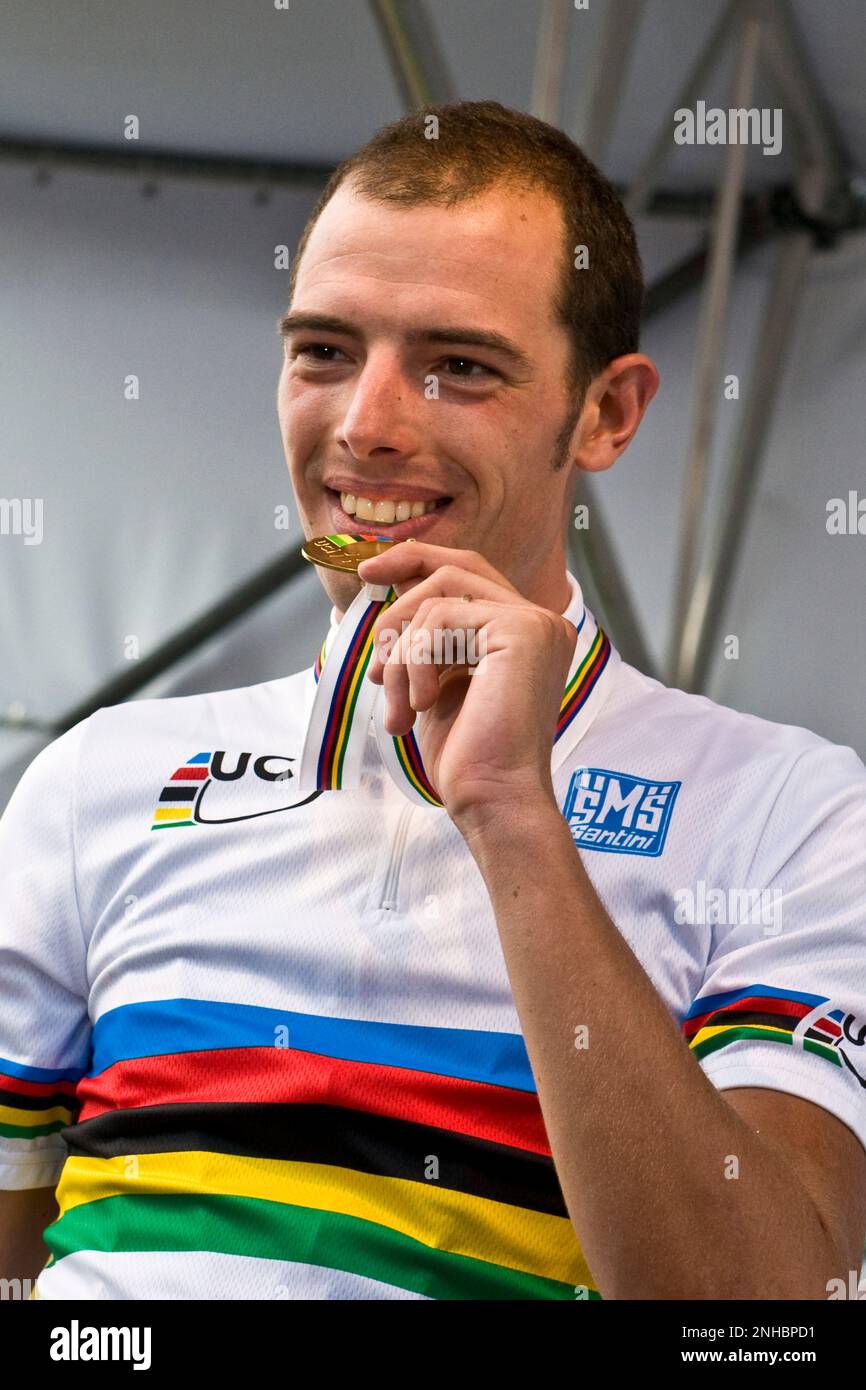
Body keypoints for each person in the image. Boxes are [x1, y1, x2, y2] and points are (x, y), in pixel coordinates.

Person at [1, 100, 865, 1302]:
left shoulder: (791, 810)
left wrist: (513, 814)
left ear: (606, 412)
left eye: (457, 366)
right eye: (323, 351)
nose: (364, 426)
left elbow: (758, 1312)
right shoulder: (102, 773)